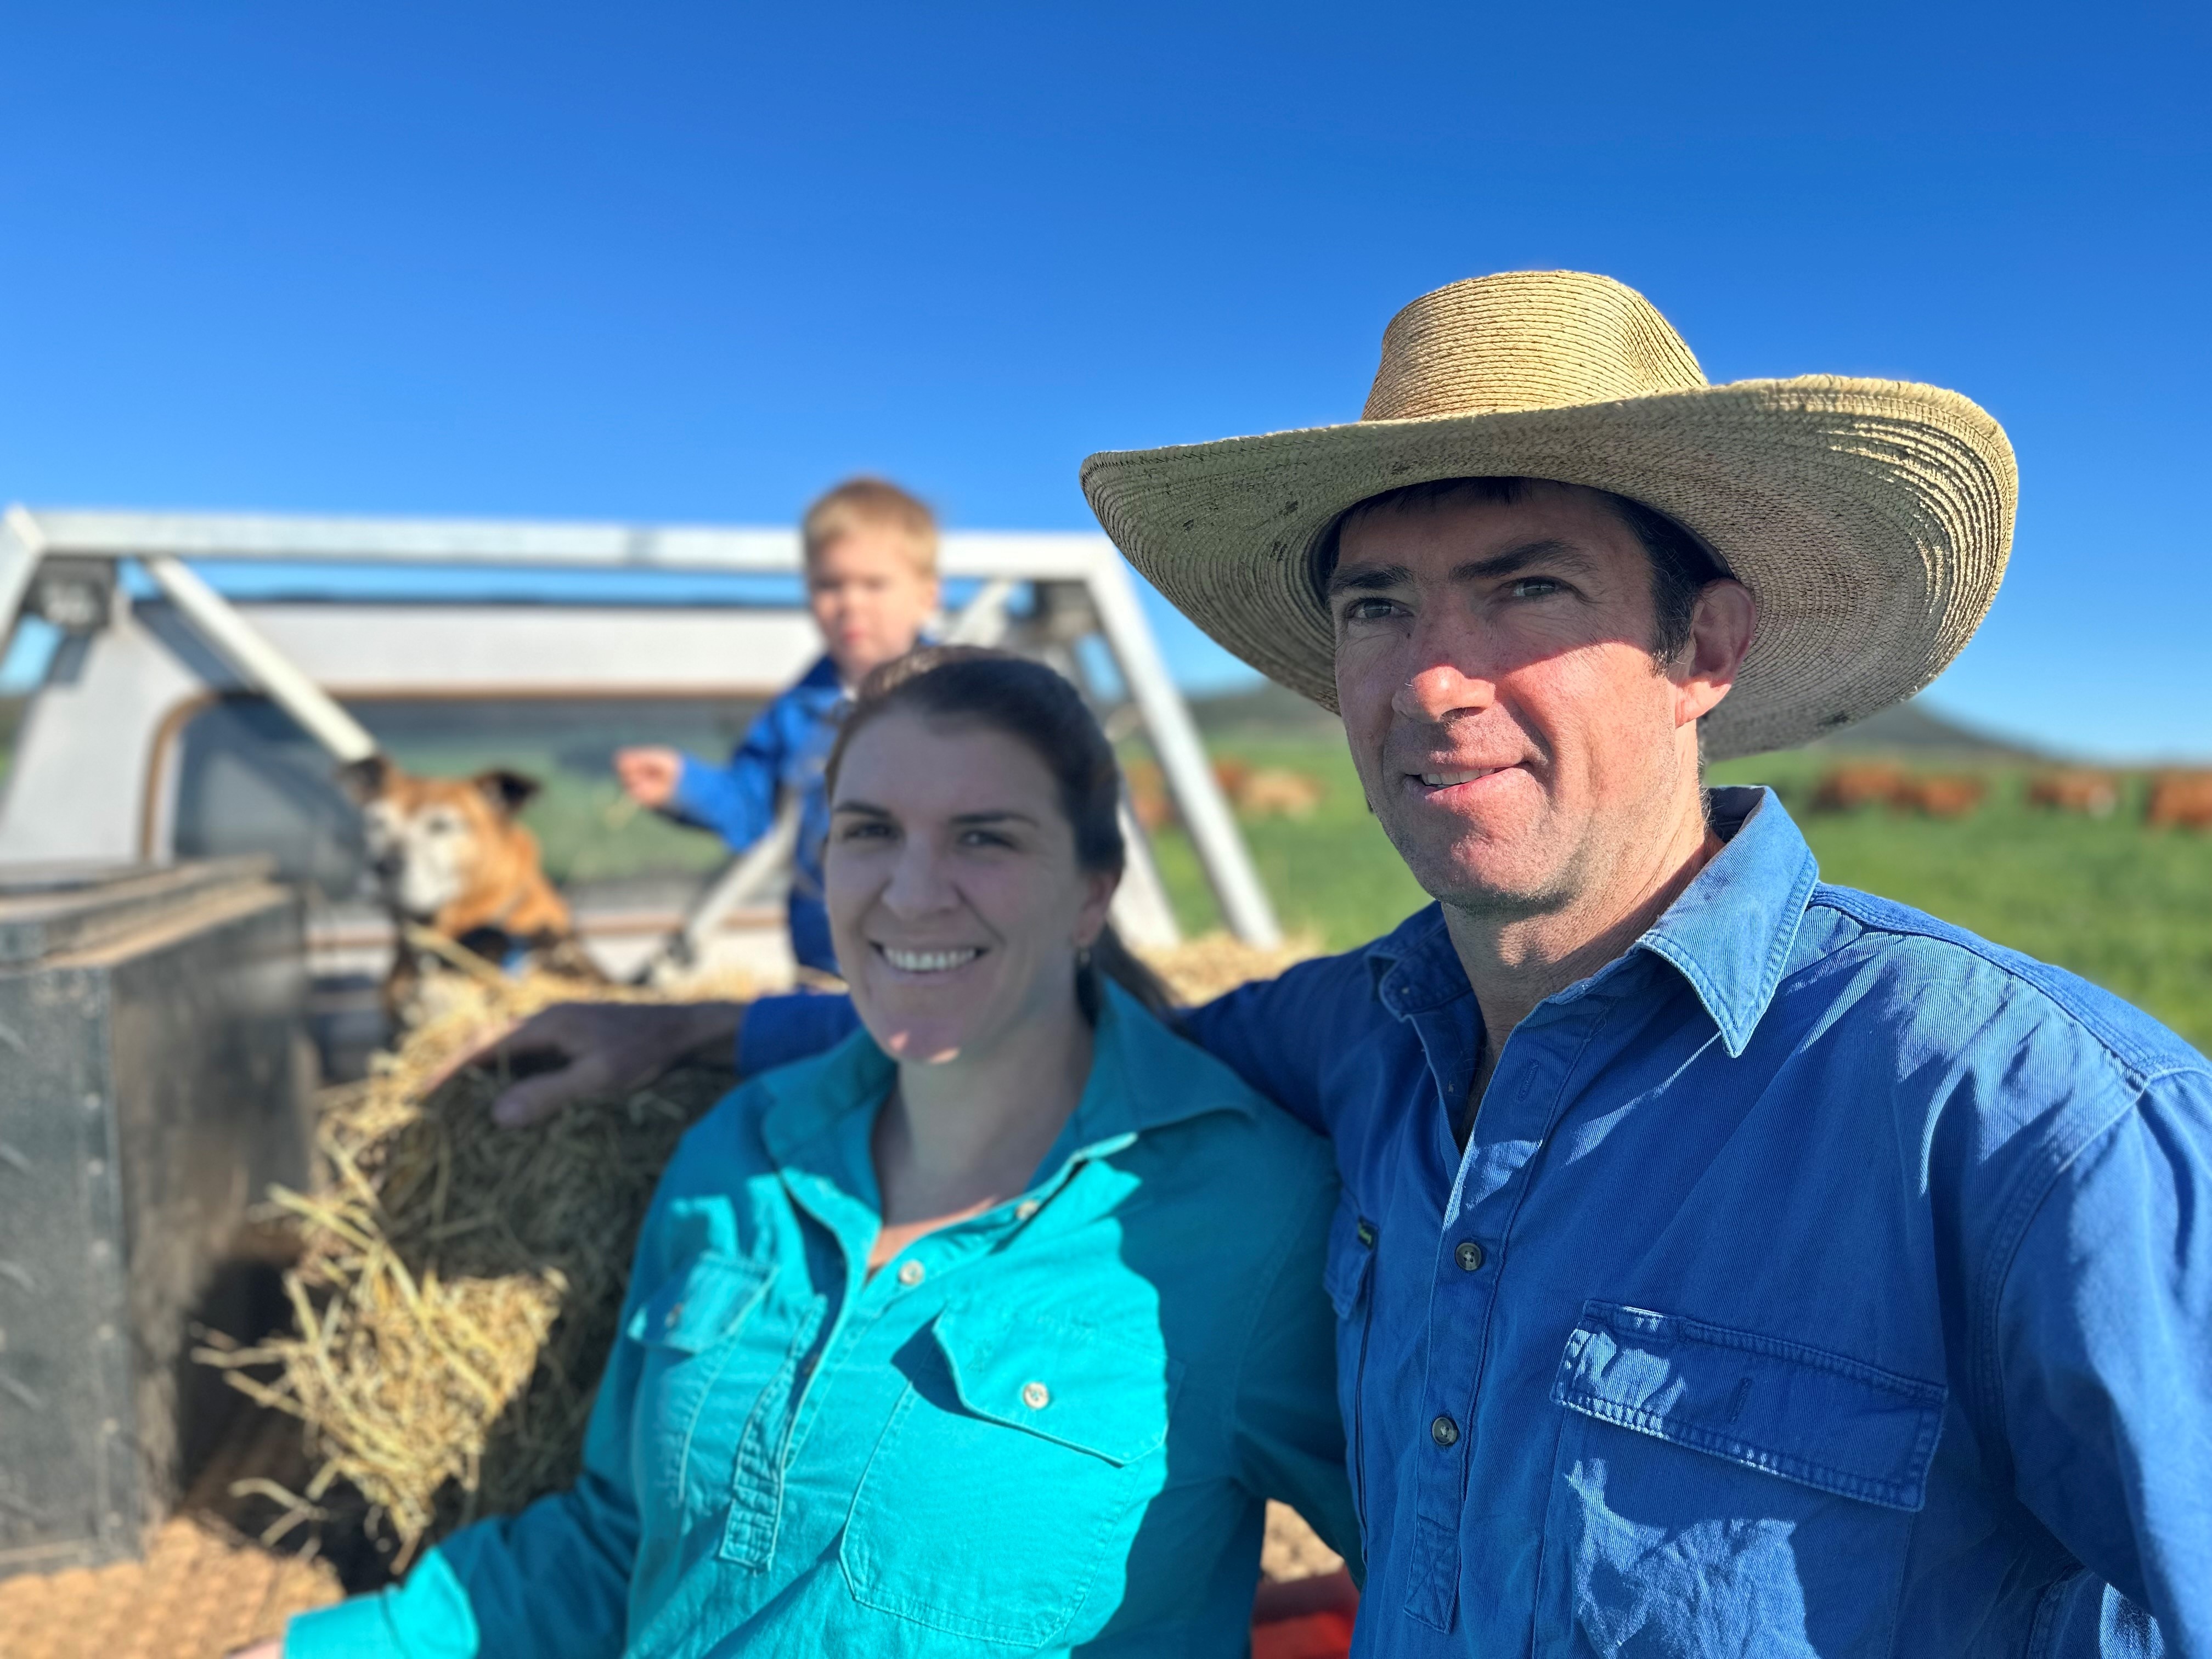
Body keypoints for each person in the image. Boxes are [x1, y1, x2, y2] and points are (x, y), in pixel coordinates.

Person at [482, 270, 2212, 1654]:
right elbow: (1057, 1032)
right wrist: (709, 1033)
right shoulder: (1356, 1032)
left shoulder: (2023, 1124)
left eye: (1526, 590)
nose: (1432, 679)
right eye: (1379, 608)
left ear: (1708, 646)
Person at [249, 648, 1355, 1659]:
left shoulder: (1254, 1217)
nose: (911, 892)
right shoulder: (739, 1153)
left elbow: (1444, 1586)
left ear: (1092, 890)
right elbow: (614, 1546)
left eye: (986, 836)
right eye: (868, 831)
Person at [614, 477, 942, 975]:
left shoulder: (964, 704)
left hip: (936, 957)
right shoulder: (794, 712)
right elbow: (751, 809)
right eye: (830, 585)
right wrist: (684, 785)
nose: (851, 603)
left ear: (926, 595)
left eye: (874, 584)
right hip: (827, 963)